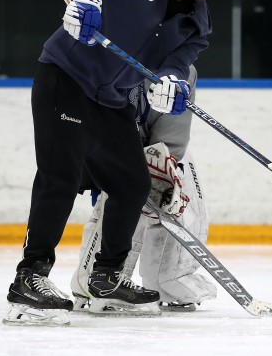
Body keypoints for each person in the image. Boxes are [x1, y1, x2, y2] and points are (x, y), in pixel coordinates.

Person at [3, 0, 229, 326]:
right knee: (61, 177)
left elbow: (178, 63)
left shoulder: (197, 22)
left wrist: (172, 82)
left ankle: (105, 277)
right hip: (66, 78)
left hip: (111, 100)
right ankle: (30, 277)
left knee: (132, 183)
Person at [70, 65, 217, 316]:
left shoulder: (182, 68)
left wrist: (165, 167)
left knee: (183, 201)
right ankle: (95, 282)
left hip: (158, 149)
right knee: (119, 199)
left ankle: (168, 281)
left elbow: (174, 129)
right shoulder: (100, 59)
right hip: (104, 144)